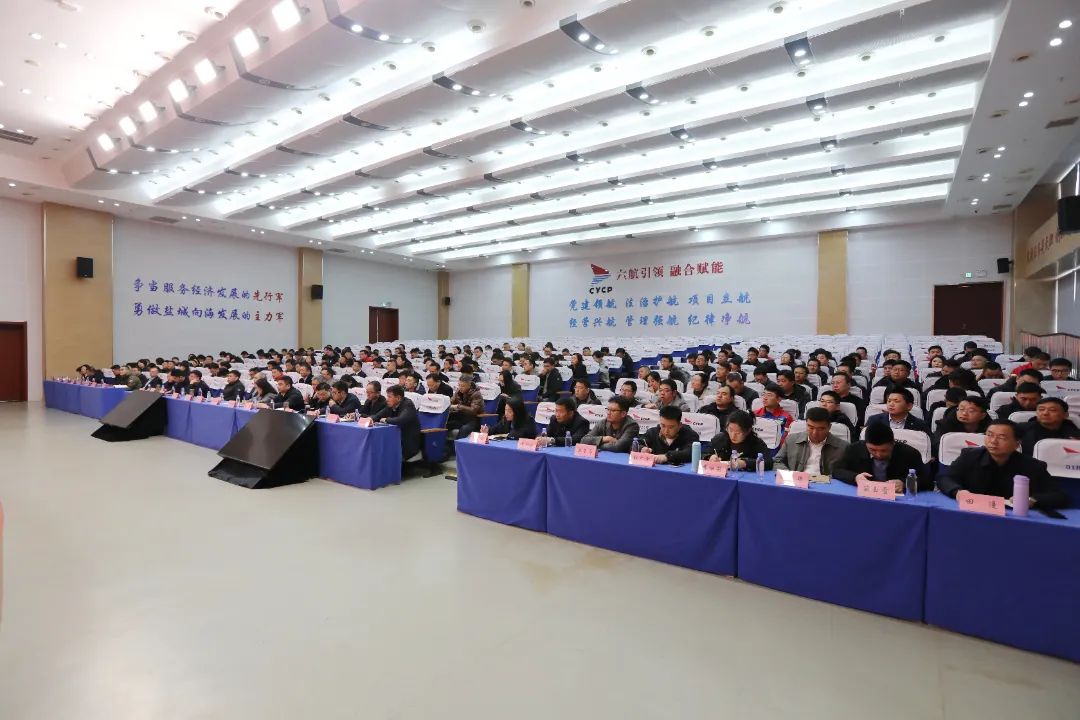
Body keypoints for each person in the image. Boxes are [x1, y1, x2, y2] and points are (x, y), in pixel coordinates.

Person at [936, 420, 1067, 508]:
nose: (993, 441)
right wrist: (957, 491)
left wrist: (1031, 500)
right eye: (989, 435)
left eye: (1001, 437)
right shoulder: (970, 456)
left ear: (1017, 443)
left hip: (1013, 517)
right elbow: (945, 478)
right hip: (975, 510)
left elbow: (1058, 495)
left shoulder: (1033, 466)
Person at [833, 423, 931, 492]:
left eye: (883, 450)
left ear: (893, 444)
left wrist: (905, 483)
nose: (878, 454)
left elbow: (927, 481)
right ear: (865, 444)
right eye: (872, 450)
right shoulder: (854, 449)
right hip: (864, 496)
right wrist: (856, 477)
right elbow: (836, 470)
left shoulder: (910, 454)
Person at [773, 407, 848, 475]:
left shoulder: (843, 447)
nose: (815, 433)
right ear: (806, 425)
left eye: (820, 429)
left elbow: (847, 472)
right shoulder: (791, 440)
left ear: (829, 427)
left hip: (827, 484)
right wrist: (789, 474)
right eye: (811, 428)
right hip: (796, 481)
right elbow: (777, 461)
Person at [372, 385, 422, 461]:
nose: (387, 400)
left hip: (407, 442)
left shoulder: (408, 405)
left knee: (383, 451)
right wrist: (370, 419)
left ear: (398, 398)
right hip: (396, 439)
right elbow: (377, 416)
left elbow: (400, 420)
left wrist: (386, 420)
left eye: (389, 397)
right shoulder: (391, 405)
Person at [447, 374, 485, 442]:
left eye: (463, 386)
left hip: (472, 420)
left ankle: (458, 447)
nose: (460, 387)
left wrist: (459, 406)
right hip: (460, 418)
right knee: (445, 425)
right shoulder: (458, 392)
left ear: (469, 385)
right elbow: (450, 402)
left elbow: (473, 410)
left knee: (463, 429)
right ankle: (446, 447)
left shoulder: (476, 394)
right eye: (459, 385)